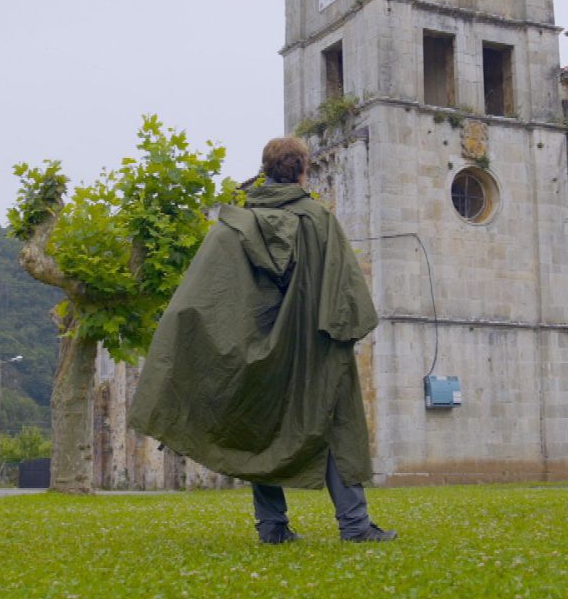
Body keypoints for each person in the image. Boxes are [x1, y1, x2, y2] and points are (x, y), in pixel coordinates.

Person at [129, 137, 396, 544]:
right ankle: (355, 526)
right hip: (314, 352)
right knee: (335, 423)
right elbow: (345, 295)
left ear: (265, 170)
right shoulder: (319, 222)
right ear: (302, 171)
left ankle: (272, 528)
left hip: (252, 350)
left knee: (256, 426)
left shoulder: (231, 226)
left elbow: (199, 299)